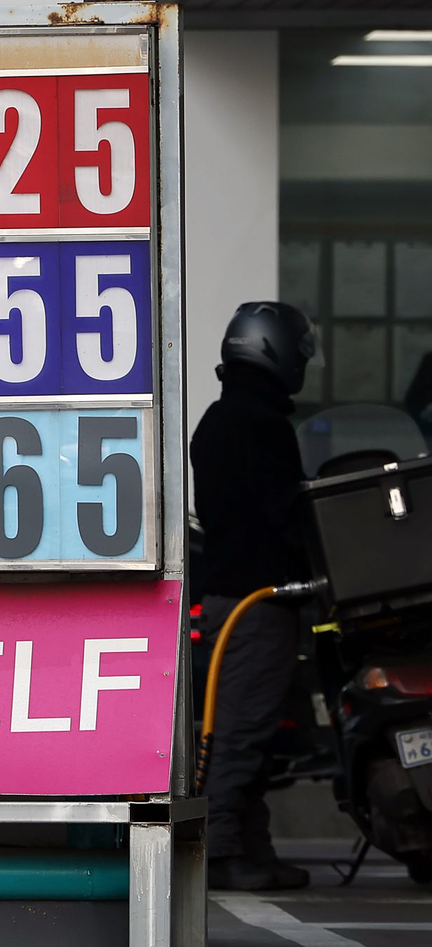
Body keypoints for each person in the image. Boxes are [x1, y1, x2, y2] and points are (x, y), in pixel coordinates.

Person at [190, 301, 317, 892]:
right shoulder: (260, 425)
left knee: (258, 732)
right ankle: (219, 855)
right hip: (257, 605)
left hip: (234, 600)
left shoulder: (220, 419)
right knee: (241, 734)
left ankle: (251, 849)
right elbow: (282, 516)